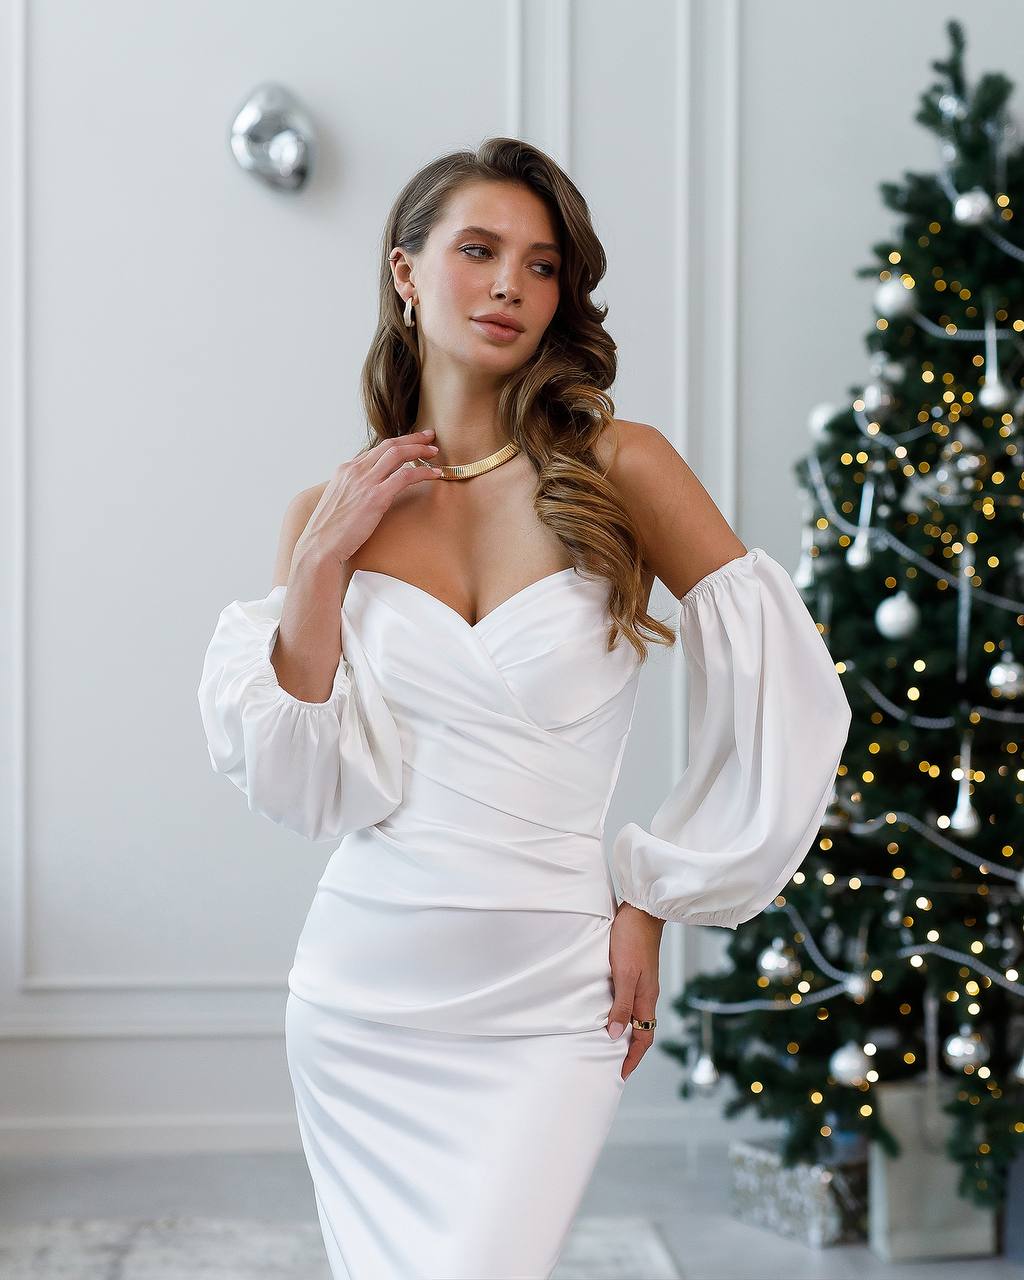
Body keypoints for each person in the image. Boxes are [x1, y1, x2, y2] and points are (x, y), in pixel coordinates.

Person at [197, 137, 853, 1280]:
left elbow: (783, 686)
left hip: (550, 1000)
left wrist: (652, 896)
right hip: (361, 999)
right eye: (479, 251)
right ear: (405, 272)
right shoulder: (330, 506)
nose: (510, 285)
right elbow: (303, 786)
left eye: (542, 266)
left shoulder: (622, 465)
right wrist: (318, 565)